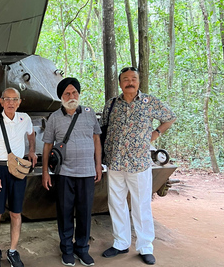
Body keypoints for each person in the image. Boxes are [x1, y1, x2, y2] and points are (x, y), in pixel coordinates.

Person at [101, 67, 176, 265]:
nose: (130, 82)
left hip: (139, 162)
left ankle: (145, 246)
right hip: (115, 161)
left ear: (139, 82)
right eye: (125, 79)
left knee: (141, 204)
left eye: (133, 79)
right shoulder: (112, 104)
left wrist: (156, 133)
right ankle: (120, 242)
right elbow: (104, 128)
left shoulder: (149, 102)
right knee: (116, 203)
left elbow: (170, 117)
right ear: (120, 83)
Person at [41, 78, 102, 267]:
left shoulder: (90, 114)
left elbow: (96, 140)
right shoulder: (54, 118)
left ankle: (82, 249)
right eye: (67, 93)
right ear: (61, 96)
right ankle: (67, 250)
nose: (71, 96)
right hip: (64, 173)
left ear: (79, 94)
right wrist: (45, 172)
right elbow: (47, 146)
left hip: (86, 172)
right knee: (65, 212)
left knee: (84, 213)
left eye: (74, 92)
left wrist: (98, 165)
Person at [0, 87, 38, 267]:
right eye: (7, 99)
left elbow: (31, 134)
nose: (11, 103)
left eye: (14, 99)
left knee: (16, 213)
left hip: (17, 171)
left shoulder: (25, 118)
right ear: (1, 102)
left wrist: (31, 150)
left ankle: (13, 251)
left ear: (20, 102)